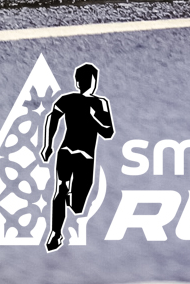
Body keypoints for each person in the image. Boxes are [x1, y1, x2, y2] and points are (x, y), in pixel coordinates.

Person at [40, 61, 114, 251]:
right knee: (61, 188)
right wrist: (48, 145)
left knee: (77, 205)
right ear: (77, 81)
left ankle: (67, 201)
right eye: (83, 79)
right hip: (69, 152)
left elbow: (108, 132)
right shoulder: (68, 100)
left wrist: (92, 118)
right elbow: (52, 117)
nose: (86, 83)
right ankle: (56, 232)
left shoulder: (100, 103)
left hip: (84, 157)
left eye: (89, 79)